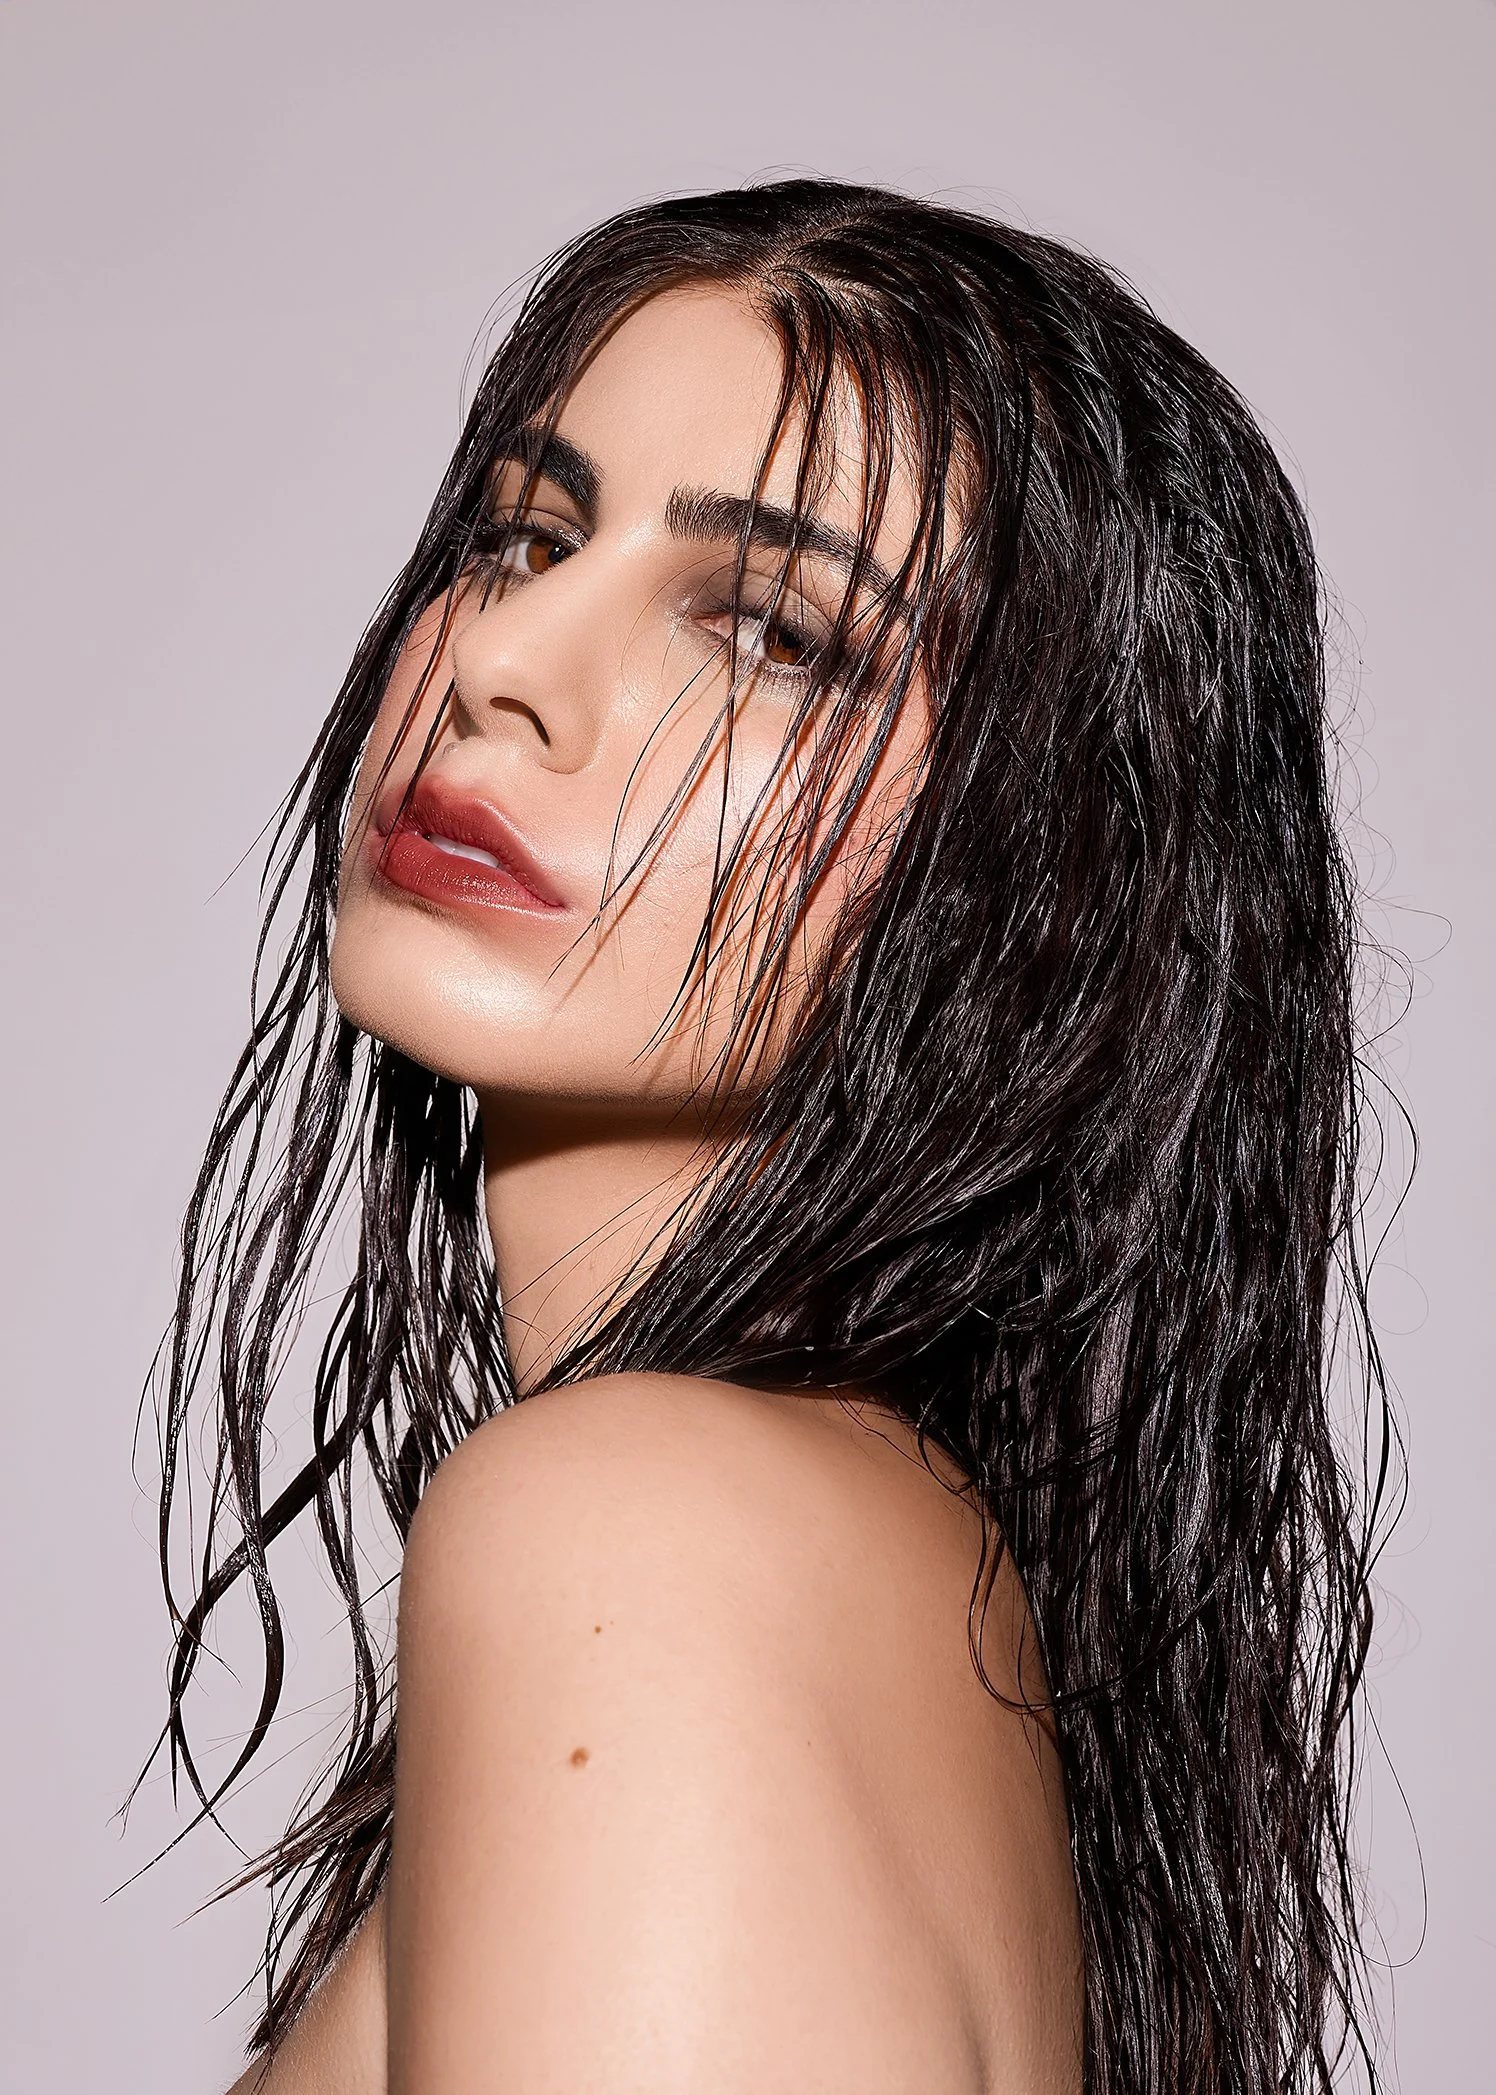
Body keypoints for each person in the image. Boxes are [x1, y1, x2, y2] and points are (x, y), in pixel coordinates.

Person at [151, 179, 1387, 2093]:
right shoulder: (849, 1561)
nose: (507, 660)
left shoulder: (652, 1528)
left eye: (773, 632)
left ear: (1044, 890)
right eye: (523, 532)